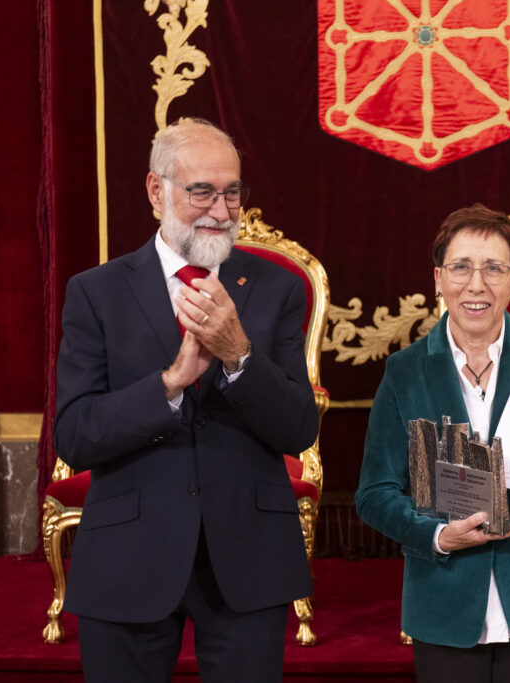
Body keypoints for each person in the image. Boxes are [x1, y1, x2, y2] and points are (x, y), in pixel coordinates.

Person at [53, 118, 318, 682]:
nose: (221, 211)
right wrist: (169, 384)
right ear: (157, 191)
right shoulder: (95, 293)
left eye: (232, 193)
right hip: (128, 558)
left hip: (247, 559)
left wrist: (240, 355)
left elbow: (298, 430)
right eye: (202, 191)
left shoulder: (275, 289)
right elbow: (75, 435)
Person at [355, 204, 510, 682]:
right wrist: (437, 536)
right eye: (461, 267)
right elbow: (374, 493)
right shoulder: (405, 371)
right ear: (438, 279)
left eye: (494, 268)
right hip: (444, 599)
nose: (476, 284)